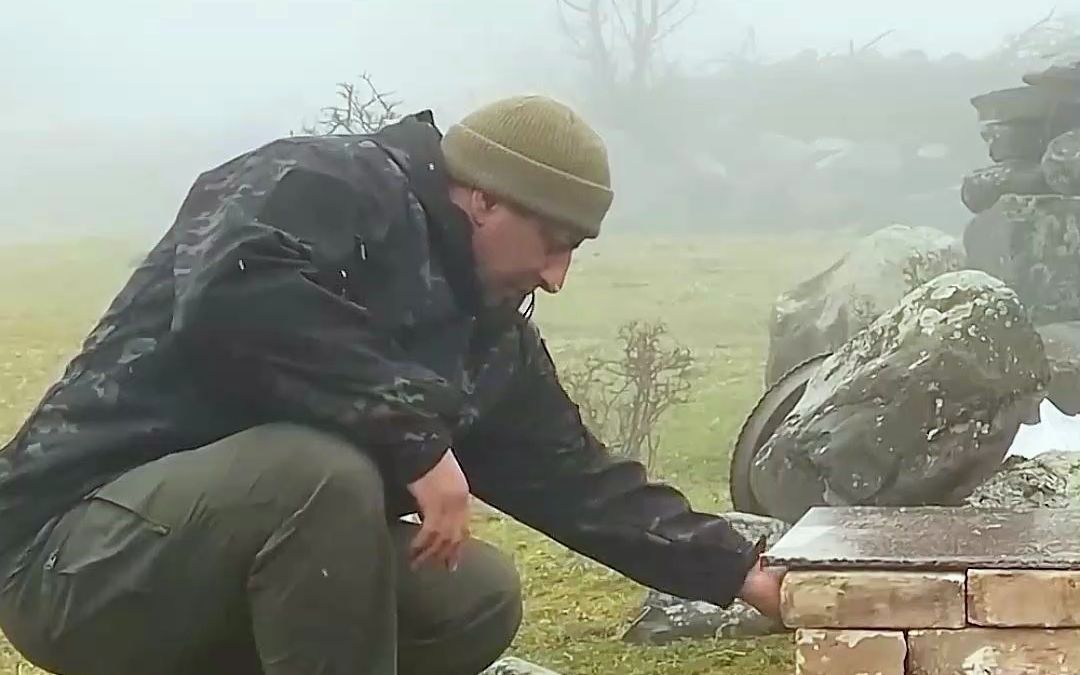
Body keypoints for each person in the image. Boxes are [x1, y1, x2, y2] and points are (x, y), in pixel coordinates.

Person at [0, 94, 784, 675]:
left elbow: (575, 478)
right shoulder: (317, 182)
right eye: (553, 242)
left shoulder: (485, 323)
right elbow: (231, 294)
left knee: (476, 594)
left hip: (204, 585)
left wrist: (742, 573)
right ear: (483, 197)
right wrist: (414, 438)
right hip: (71, 565)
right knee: (315, 475)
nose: (557, 277)